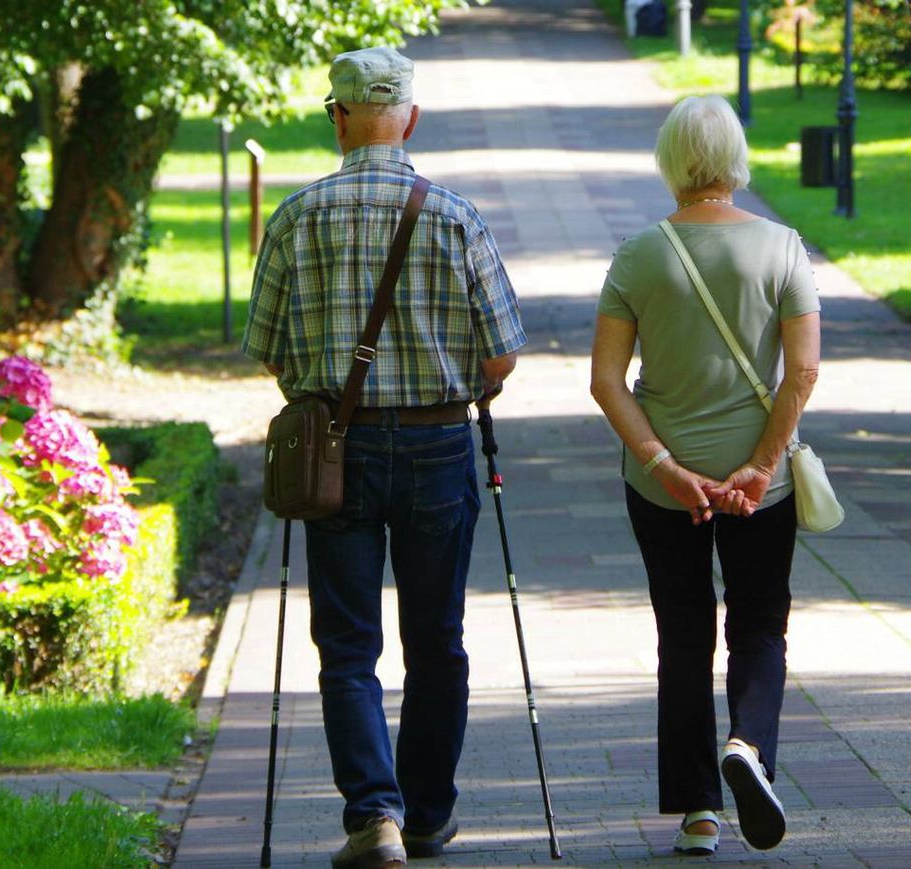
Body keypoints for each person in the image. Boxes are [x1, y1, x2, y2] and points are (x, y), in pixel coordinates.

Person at [242, 46, 526, 869]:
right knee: (437, 637)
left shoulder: (295, 216)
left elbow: (266, 346)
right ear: (411, 119)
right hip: (439, 444)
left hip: (336, 450)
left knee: (348, 643)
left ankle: (374, 818)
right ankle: (429, 814)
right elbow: (503, 353)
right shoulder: (456, 216)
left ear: (336, 119)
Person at [589, 94, 821, 854]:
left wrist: (663, 464)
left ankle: (697, 812)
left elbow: (606, 381)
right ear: (736, 159)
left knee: (682, 633)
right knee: (759, 622)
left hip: (663, 485)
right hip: (761, 485)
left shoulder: (638, 253)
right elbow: (803, 370)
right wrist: (760, 465)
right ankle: (747, 744)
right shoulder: (783, 247)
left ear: (670, 161)